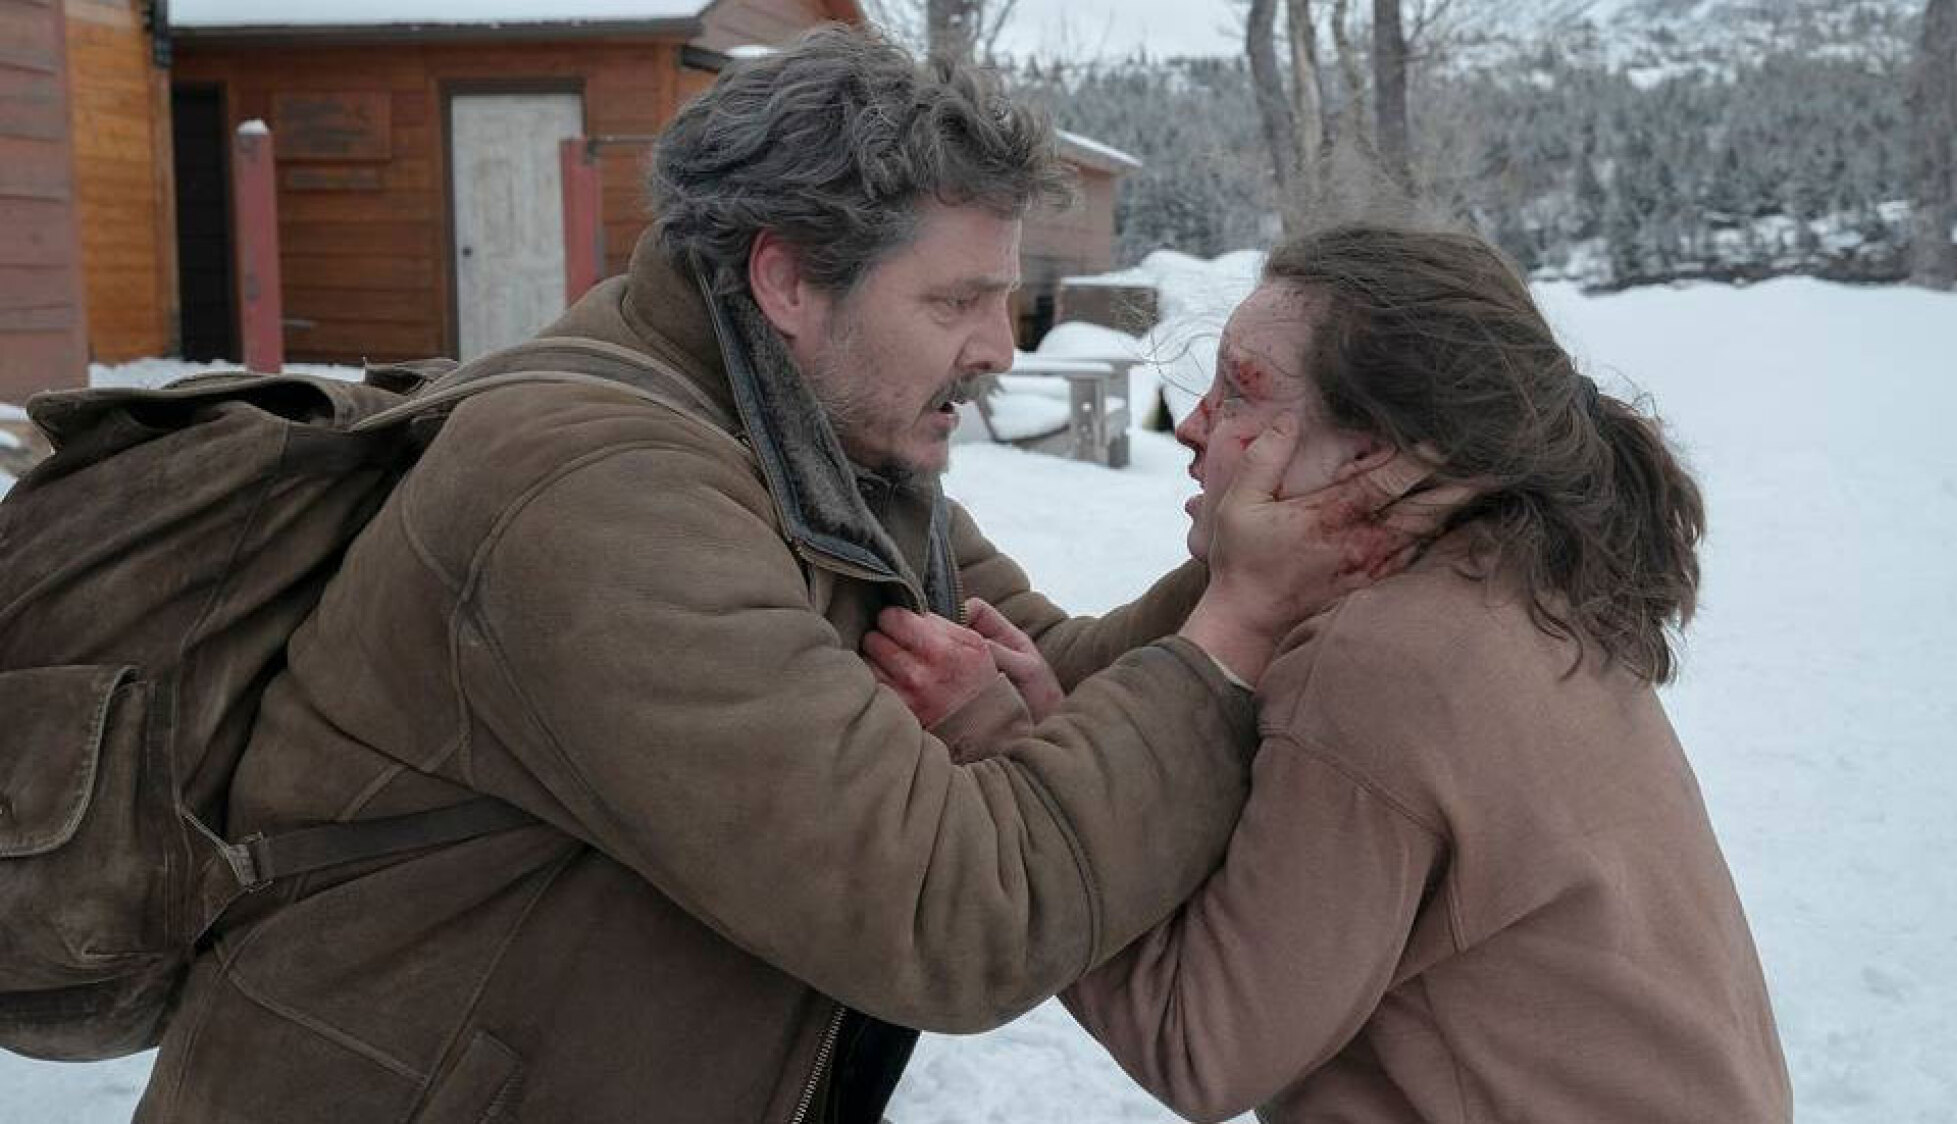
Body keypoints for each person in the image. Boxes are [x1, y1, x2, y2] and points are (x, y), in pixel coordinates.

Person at [134, 29, 1452, 1124]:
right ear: (783, 278)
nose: (998, 347)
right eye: (952, 303)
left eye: (1005, 296)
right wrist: (1236, 623)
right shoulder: (594, 502)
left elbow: (1046, 675)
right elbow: (954, 912)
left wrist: (1254, 559)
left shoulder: (818, 435)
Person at [868, 226, 1793, 1123]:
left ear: (1372, 455)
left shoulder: (1388, 655)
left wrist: (997, 739)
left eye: (1239, 394)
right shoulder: (1507, 575)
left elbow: (1197, 1042)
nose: (1190, 425)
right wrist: (1061, 718)